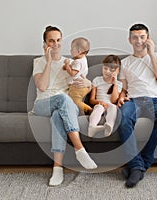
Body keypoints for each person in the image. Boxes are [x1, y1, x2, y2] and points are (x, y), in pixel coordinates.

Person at [32, 26, 97, 186]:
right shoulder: (38, 62)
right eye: (51, 41)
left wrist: (89, 83)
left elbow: (84, 84)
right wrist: (48, 62)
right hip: (43, 104)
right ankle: (79, 149)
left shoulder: (72, 63)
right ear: (45, 44)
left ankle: (57, 169)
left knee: (58, 114)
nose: (55, 44)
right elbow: (41, 86)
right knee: (61, 98)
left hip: (66, 105)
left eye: (58, 40)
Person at [117, 23, 157, 188]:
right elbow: (123, 88)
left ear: (148, 39)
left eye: (142, 37)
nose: (139, 40)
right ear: (129, 40)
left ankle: (138, 166)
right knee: (123, 117)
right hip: (134, 99)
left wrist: (152, 54)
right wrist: (120, 98)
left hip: (156, 99)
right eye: (135, 37)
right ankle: (137, 166)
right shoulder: (125, 62)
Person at [88, 55, 123, 137]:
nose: (107, 71)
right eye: (105, 68)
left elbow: (114, 101)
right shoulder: (97, 80)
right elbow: (91, 100)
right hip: (99, 104)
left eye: (111, 70)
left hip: (110, 105)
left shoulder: (119, 84)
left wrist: (115, 83)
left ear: (117, 71)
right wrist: (100, 102)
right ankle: (92, 127)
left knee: (113, 107)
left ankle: (109, 126)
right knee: (99, 108)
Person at [63, 37, 92, 114]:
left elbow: (72, 73)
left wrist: (66, 64)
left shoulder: (77, 62)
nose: (70, 51)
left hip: (76, 87)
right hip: (82, 87)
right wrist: (67, 67)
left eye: (72, 49)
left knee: (74, 101)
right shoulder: (83, 59)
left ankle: (88, 109)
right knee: (75, 102)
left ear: (79, 51)